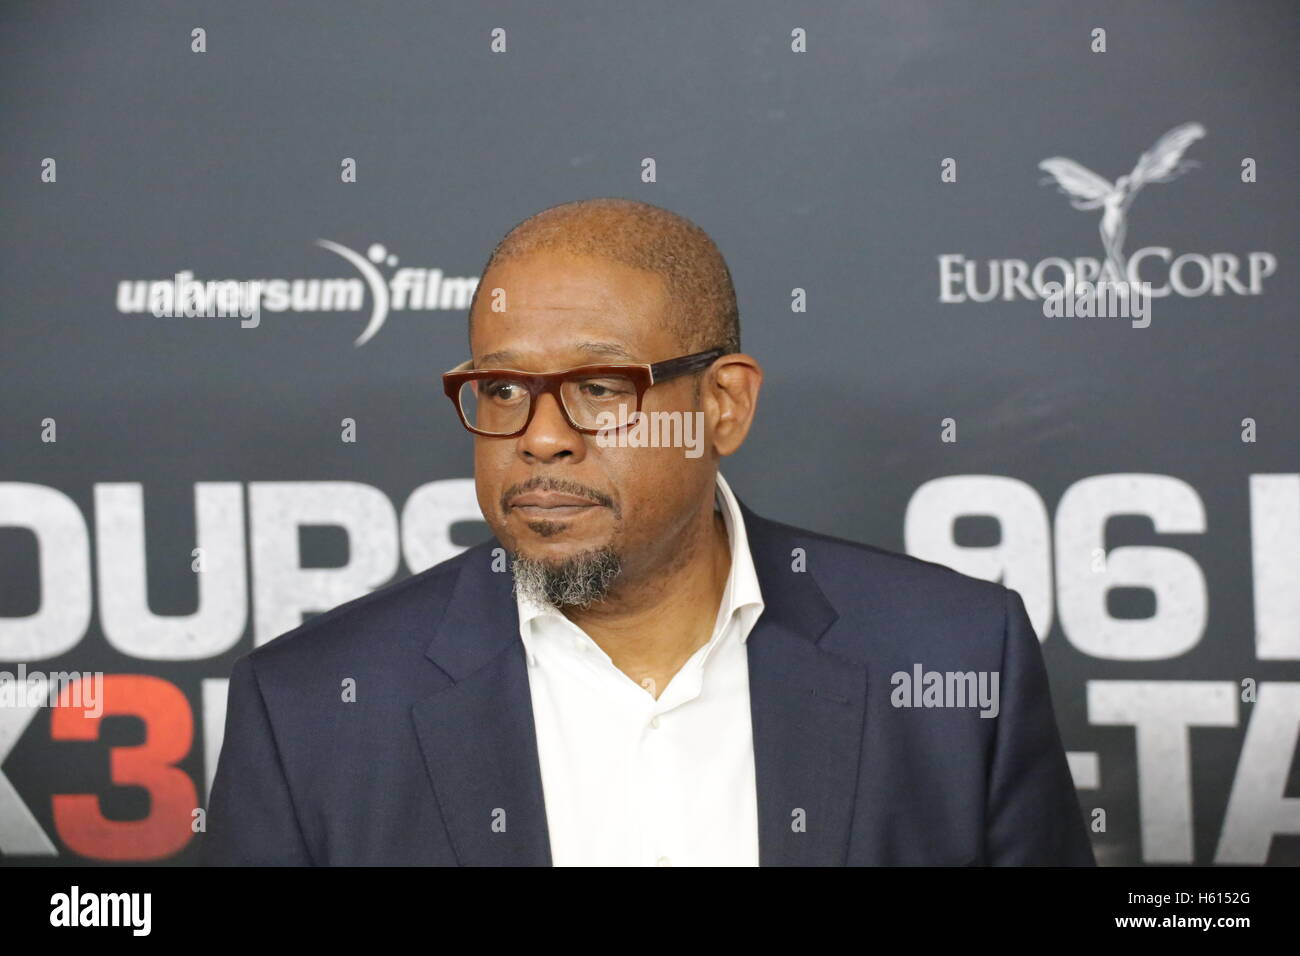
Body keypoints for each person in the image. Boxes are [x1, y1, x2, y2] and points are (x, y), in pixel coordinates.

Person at [202, 197, 1095, 866]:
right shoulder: (312, 713)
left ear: (723, 404)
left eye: (599, 387)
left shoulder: (956, 657)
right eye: (504, 390)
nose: (541, 435)